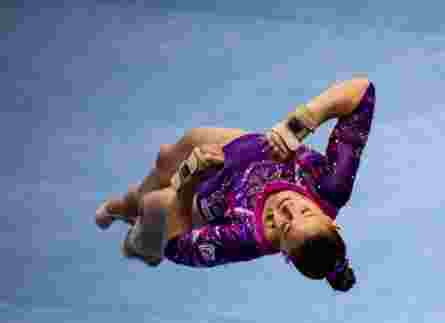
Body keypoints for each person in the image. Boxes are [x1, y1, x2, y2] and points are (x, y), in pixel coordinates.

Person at [95, 77, 375, 292]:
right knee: (166, 158)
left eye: (284, 225)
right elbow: (362, 92)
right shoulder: (331, 187)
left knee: (153, 206)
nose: (287, 208)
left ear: (285, 252)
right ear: (331, 220)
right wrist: (300, 123)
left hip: (207, 196)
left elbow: (178, 247)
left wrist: (191, 180)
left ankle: (133, 222)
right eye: (306, 212)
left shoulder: (244, 238)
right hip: (244, 152)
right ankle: (137, 220)